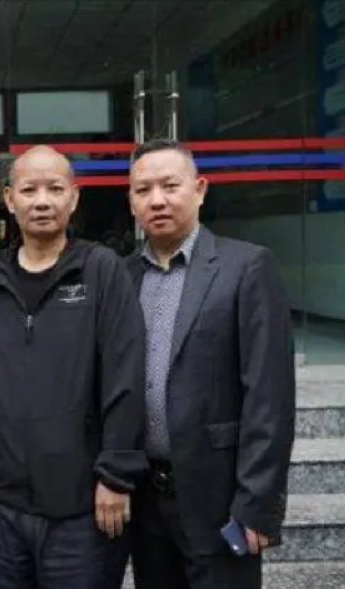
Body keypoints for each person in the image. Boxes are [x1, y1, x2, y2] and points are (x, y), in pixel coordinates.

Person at [0, 145, 147, 589]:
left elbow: (125, 376)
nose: (42, 201)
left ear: (74, 197)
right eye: (29, 190)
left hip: (82, 505)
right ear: (9, 200)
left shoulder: (101, 271)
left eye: (55, 189)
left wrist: (116, 475)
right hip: (4, 503)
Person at [125, 138, 296, 589]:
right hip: (146, 500)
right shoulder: (123, 277)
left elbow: (270, 397)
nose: (157, 200)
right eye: (143, 190)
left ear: (200, 189)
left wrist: (258, 502)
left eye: (170, 186)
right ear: (131, 200)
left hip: (219, 497)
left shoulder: (246, 267)